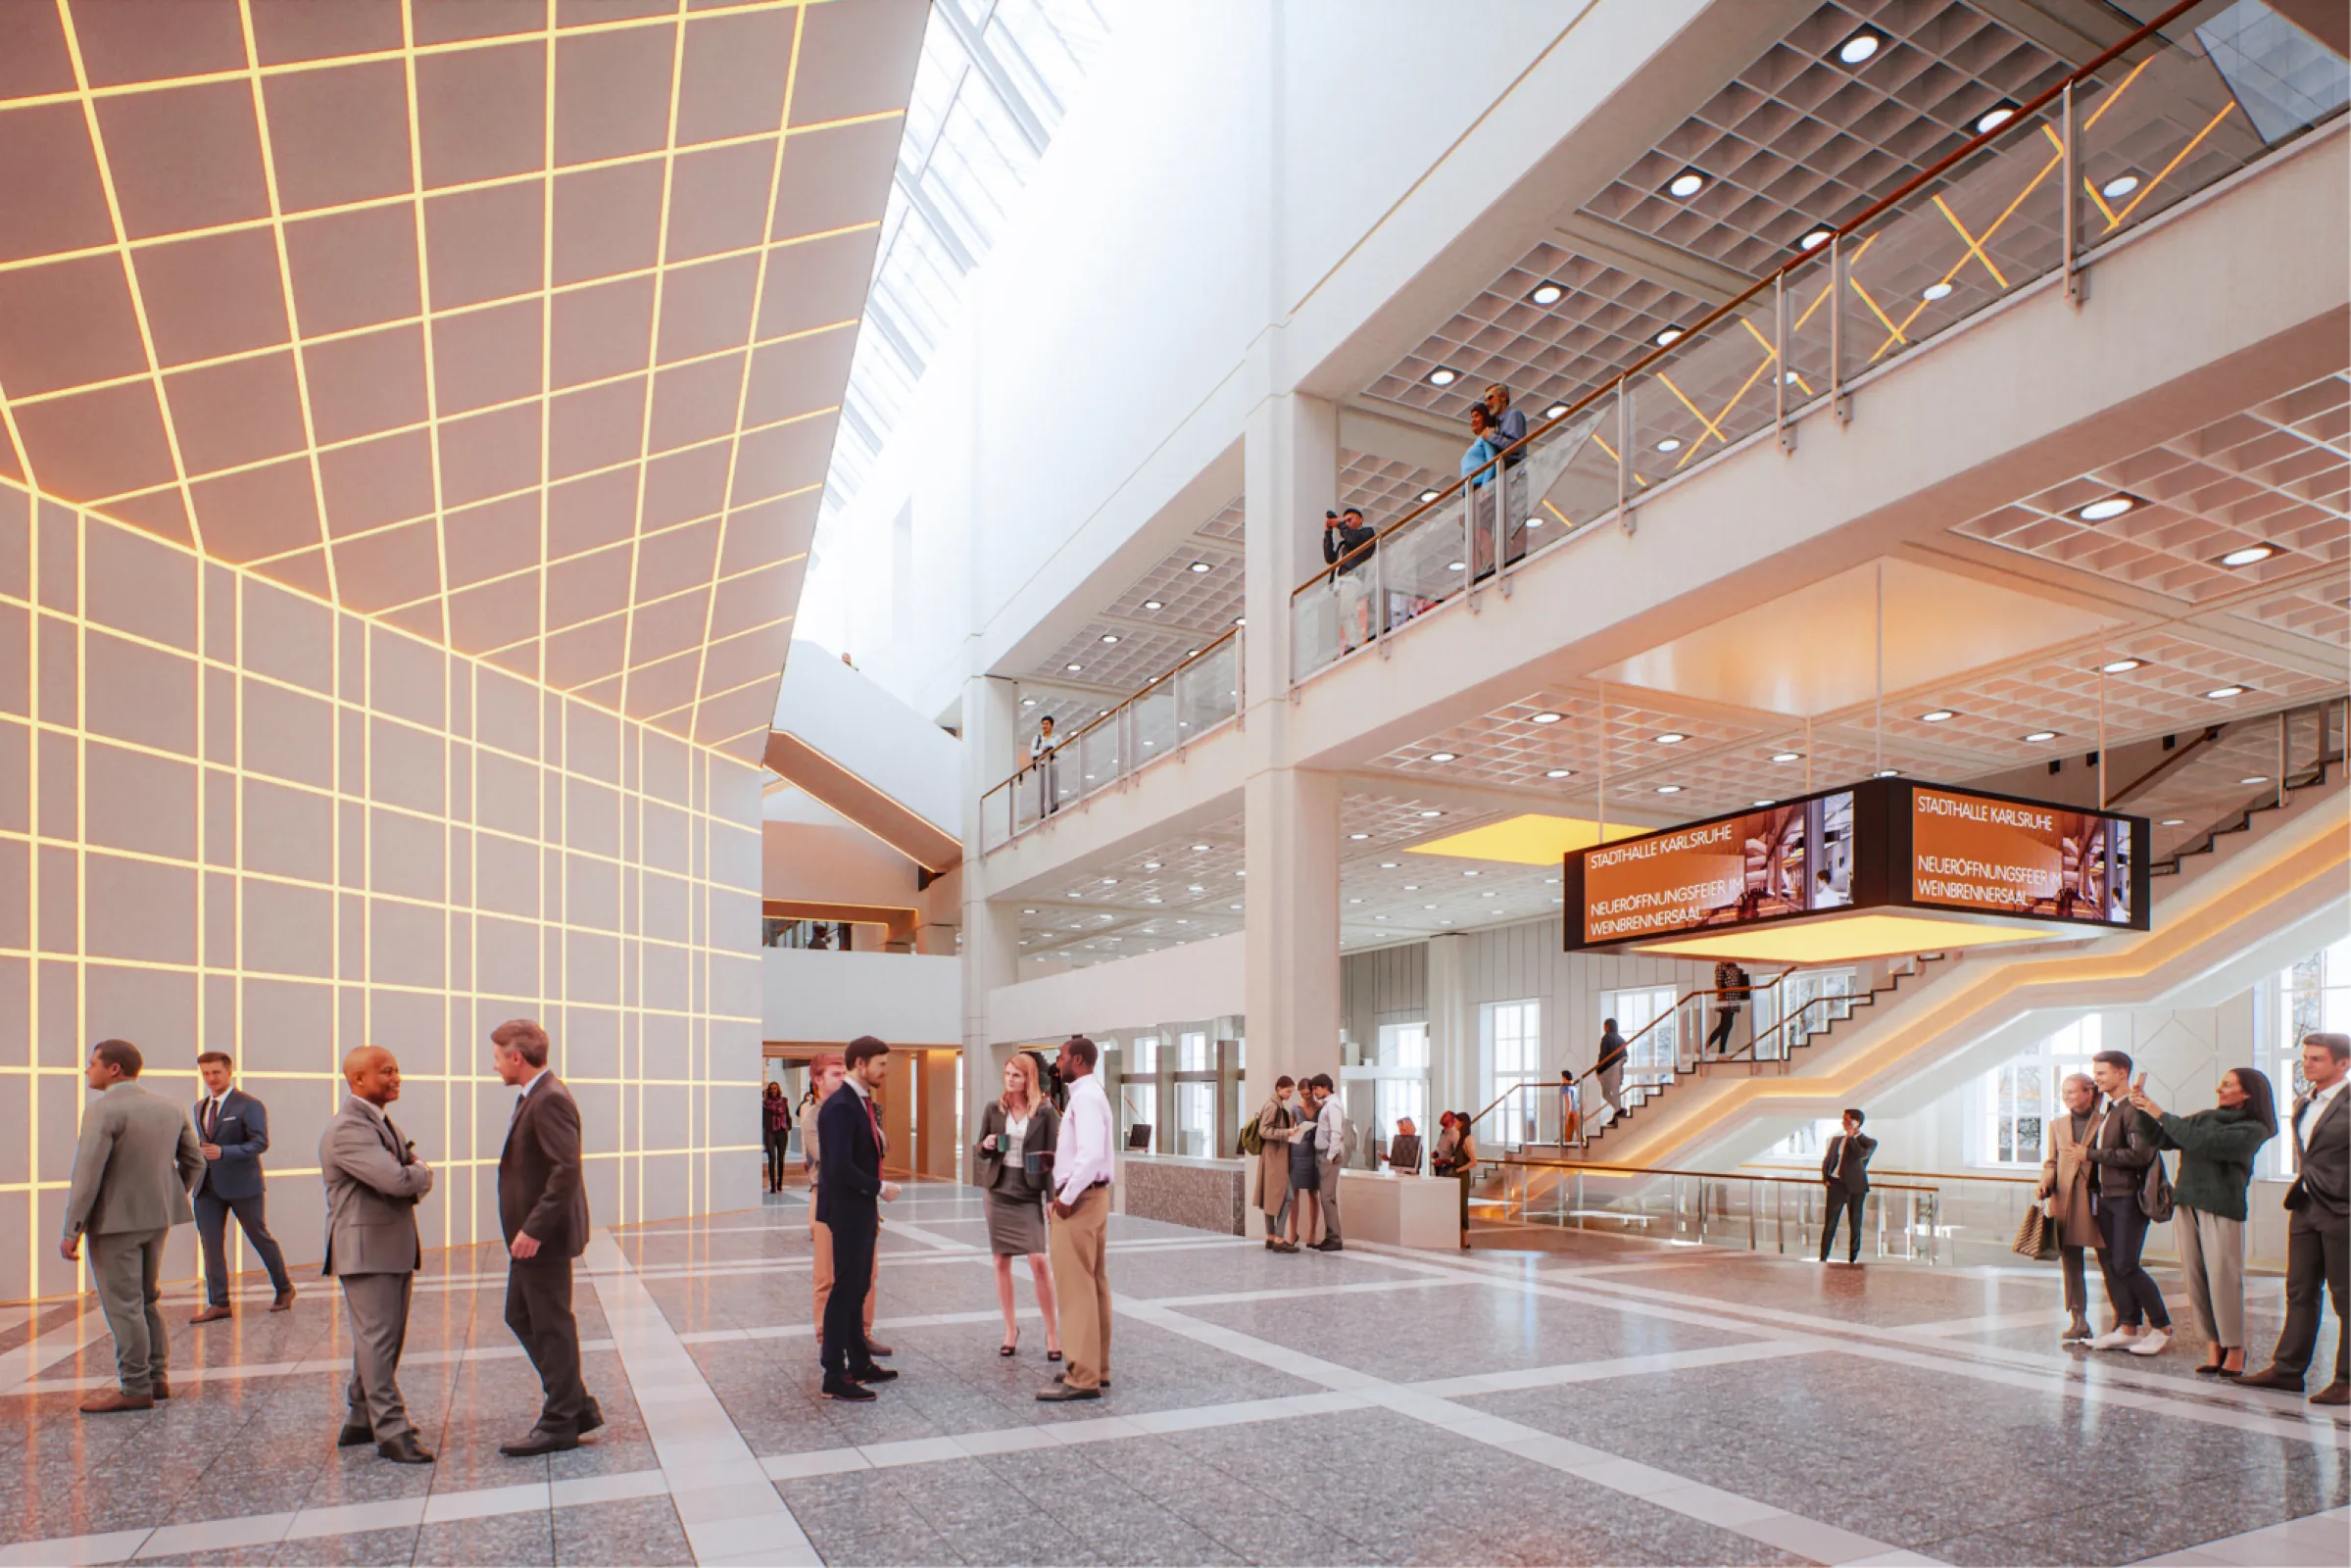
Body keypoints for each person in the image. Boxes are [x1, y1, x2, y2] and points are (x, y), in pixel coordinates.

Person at [60, 1039, 204, 1414]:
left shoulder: (102, 1111)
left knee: (123, 1306)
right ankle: (157, 1378)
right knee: (147, 1299)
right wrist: (168, 1194)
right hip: (157, 1219)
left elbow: (87, 1175)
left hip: (113, 1224)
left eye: (92, 1064)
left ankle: (136, 1387)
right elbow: (195, 1162)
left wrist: (72, 1228)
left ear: (114, 1069)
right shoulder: (170, 1107)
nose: (87, 1070)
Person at [319, 1045, 435, 1462]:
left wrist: (411, 1170)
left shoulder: (378, 1121)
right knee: (377, 1340)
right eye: (387, 1071)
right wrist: (421, 1172)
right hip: (367, 1250)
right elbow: (398, 1179)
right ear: (358, 1080)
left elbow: (403, 1169)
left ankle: (360, 1418)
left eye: (397, 1069)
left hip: (387, 1247)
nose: (396, 1078)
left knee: (379, 1340)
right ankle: (391, 1430)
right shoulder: (349, 1128)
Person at [491, 1019, 600, 1455]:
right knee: (520, 1314)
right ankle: (577, 1405)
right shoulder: (535, 1095)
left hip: (543, 1238)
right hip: (531, 1237)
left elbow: (565, 1169)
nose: (494, 1065)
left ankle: (560, 1421)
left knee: (551, 1324)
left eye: (498, 1057)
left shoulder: (549, 1098)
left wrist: (534, 1228)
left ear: (516, 1058)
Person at [2131, 1067, 2278, 1378]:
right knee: (2196, 1280)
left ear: (2247, 1093)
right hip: (2187, 1202)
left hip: (2222, 1205)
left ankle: (2235, 1347)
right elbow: (2163, 1137)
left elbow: (2204, 1143)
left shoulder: (2254, 1128)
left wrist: (2158, 1110)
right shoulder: (2205, 1116)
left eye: (2227, 1085)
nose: (2219, 1088)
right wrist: (2141, 1108)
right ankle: (2213, 1344)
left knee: (2224, 1280)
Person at [2240, 1032, 2349, 1404]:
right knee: (2299, 1292)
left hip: (2343, 1211)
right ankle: (2287, 1371)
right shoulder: (2304, 1103)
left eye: (2317, 1059)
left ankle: (2346, 1380)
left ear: (2343, 1064)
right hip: (2305, 1208)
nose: (2308, 1064)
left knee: (2346, 1298)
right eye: (2305, 1058)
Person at [816, 1037, 901, 1400]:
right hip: (848, 1209)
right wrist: (879, 1186)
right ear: (860, 1064)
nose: (886, 1071)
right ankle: (834, 1374)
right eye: (881, 1065)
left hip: (861, 1208)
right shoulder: (839, 1107)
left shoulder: (861, 1103)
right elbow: (838, 1167)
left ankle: (860, 1363)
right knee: (845, 1290)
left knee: (858, 1286)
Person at [188, 1051, 295, 1323]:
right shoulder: (199, 1106)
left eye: (216, 1072)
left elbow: (260, 1143)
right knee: (210, 1245)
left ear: (229, 1072)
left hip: (242, 1185)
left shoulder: (249, 1105)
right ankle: (219, 1302)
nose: (211, 1078)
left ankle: (284, 1288)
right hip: (207, 1187)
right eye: (206, 1073)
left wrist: (225, 1152)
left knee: (259, 1236)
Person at [2082, 1050, 2173, 1355]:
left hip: (2127, 1199)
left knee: (2126, 1264)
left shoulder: (2134, 1110)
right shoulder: (2110, 1109)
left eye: (2102, 1073)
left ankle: (2162, 1326)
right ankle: (2128, 1327)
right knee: (2110, 1264)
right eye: (2095, 1073)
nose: (2097, 1079)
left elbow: (2140, 1155)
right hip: (2107, 1197)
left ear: (2122, 1073)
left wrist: (2091, 1155)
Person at [1040, 1035, 1114, 1401]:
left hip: (1080, 1200)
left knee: (1075, 1289)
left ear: (1079, 1060)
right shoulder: (1091, 1094)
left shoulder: (1084, 1098)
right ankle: (1095, 1367)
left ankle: (1082, 1376)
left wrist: (1065, 1199)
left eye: (1062, 1057)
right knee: (1094, 1284)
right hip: (1094, 1197)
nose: (1058, 1062)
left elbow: (1088, 1156)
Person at [975, 1053, 1062, 1359]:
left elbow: (1053, 1158)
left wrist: (1051, 1198)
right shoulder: (993, 1109)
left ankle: (1053, 1333)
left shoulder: (1045, 1112)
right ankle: (1010, 1329)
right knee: (1001, 1260)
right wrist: (985, 1145)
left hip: (1028, 1192)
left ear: (1029, 1078)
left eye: (1016, 1075)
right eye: (1007, 1074)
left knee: (1039, 1260)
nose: (1010, 1080)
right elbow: (980, 1149)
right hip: (998, 1189)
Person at [802, 1054, 883, 1356]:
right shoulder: (814, 1116)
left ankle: (862, 1333)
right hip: (827, 1195)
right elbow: (832, 1158)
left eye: (843, 1073)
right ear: (818, 1080)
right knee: (828, 1274)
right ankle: (828, 1340)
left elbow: (881, 1147)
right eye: (835, 1074)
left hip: (860, 1197)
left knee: (866, 1272)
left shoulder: (860, 1110)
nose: (842, 1078)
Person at [2037, 1072, 2106, 1343]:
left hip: (2098, 1198)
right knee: (2071, 1261)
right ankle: (2078, 1318)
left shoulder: (2105, 1121)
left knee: (2110, 1261)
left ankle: (2125, 1322)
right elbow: (2051, 1162)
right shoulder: (2058, 1125)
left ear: (2089, 1092)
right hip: (2065, 1199)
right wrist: (2045, 1181)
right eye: (2063, 1092)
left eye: (2072, 1092)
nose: (2066, 1097)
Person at [1818, 1108, 1875, 1264]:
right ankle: (1823, 1257)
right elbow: (1828, 1160)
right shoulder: (1836, 1140)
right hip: (1836, 1184)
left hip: (1856, 1187)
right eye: (1843, 1120)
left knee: (1855, 1223)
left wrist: (1851, 1138)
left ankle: (1853, 1259)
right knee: (1830, 1222)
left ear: (1856, 1123)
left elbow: (1860, 1155)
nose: (1844, 1123)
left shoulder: (1868, 1142)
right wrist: (1826, 1177)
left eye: (1847, 1120)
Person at [1483, 382, 1530, 561]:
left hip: (1515, 476)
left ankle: (1517, 558)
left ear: (1503, 397)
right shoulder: (1498, 425)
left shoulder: (1514, 416)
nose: (1488, 403)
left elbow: (1514, 447)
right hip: (1505, 480)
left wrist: (1491, 437)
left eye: (1490, 398)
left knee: (1516, 520)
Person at [1252, 1076, 1299, 1251]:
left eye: (1291, 1092)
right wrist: (1287, 1132)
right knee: (1287, 1197)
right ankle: (1278, 1238)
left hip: (1272, 1157)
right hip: (1274, 1157)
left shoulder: (1275, 1103)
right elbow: (1264, 1131)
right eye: (1288, 1091)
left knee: (1270, 1197)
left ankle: (1271, 1237)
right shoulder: (1273, 1105)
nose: (1289, 1095)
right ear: (1279, 1088)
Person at [1322, 507, 1377, 653]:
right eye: (1345, 521)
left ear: (1360, 520)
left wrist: (1339, 523)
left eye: (1349, 520)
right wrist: (1328, 532)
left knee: (1347, 612)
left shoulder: (1367, 533)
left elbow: (1353, 539)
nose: (1347, 523)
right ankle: (1352, 641)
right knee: (1344, 614)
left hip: (1352, 578)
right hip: (1340, 582)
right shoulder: (1343, 545)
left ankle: (1355, 642)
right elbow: (1329, 557)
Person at [1285, 1077, 1323, 1250]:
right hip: (1297, 1151)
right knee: (1294, 1194)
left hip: (1314, 1152)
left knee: (1313, 1193)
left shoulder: (1321, 1108)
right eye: (1303, 1095)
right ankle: (1293, 1233)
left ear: (1313, 1091)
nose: (1306, 1097)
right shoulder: (1294, 1108)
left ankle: (1312, 1233)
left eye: (1308, 1094)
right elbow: (1289, 1132)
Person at [1311, 1073, 1347, 1251]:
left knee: (1327, 1197)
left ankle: (1335, 1238)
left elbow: (1336, 1132)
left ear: (1325, 1087)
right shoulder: (1328, 1105)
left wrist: (1330, 1156)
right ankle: (1330, 1235)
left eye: (1316, 1088)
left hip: (1328, 1155)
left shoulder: (1333, 1105)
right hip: (1324, 1154)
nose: (1314, 1092)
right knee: (1325, 1197)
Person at [1433, 1110, 1478, 1249]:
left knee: (1461, 1205)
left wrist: (1457, 1169)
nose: (1454, 1123)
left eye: (1457, 1121)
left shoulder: (1466, 1139)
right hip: (1452, 1173)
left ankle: (1465, 1239)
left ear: (1461, 1123)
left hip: (1460, 1175)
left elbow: (1473, 1161)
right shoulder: (1449, 1135)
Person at [1705, 960, 1748, 1057]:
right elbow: (1719, 984)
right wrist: (1723, 999)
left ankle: (1722, 1052)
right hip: (1726, 999)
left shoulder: (1733, 964)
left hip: (1734, 999)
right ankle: (1706, 1046)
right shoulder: (1721, 965)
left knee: (1727, 1025)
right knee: (1726, 1024)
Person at [1593, 1019, 1629, 1126]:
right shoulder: (1621, 1039)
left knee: (1605, 1094)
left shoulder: (1606, 1038)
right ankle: (1618, 1112)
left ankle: (1619, 1110)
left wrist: (1598, 1070)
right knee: (1615, 1093)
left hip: (1609, 1071)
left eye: (1604, 1026)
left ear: (1607, 1026)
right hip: (1618, 1072)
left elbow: (1603, 1056)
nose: (1604, 1028)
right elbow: (1625, 1057)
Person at [762, 1080, 792, 1194]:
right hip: (770, 1132)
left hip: (781, 1131)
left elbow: (787, 1115)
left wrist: (787, 1127)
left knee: (781, 1158)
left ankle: (780, 1183)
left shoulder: (783, 1101)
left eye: (775, 1088)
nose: (773, 1090)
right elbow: (763, 1120)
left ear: (778, 1089)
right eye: (771, 1088)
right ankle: (772, 1185)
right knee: (772, 1158)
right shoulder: (766, 1103)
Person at [1030, 715, 1062, 816]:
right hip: (1042, 765)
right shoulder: (1037, 738)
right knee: (1041, 789)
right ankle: (1041, 812)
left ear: (1051, 725)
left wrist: (1052, 752)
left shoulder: (1057, 737)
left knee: (1053, 786)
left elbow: (1060, 751)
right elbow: (1032, 752)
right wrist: (1042, 751)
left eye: (1047, 724)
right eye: (1043, 724)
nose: (1045, 726)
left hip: (1053, 764)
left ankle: (1054, 807)